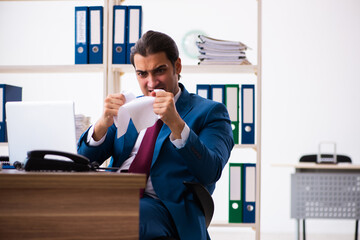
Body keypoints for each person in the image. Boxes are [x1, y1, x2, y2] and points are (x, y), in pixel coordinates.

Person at [77, 30, 234, 240]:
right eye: (142, 74)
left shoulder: (210, 112)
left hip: (166, 207)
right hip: (113, 196)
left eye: (159, 71)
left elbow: (211, 170)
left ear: (177, 67)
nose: (151, 83)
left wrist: (176, 123)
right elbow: (82, 163)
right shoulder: (129, 108)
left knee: (126, 217)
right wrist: (102, 124)